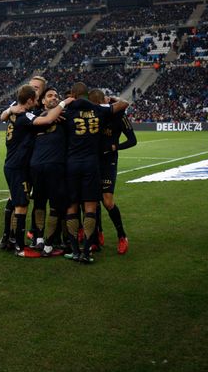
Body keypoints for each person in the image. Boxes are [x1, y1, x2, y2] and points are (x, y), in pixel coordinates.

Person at [0, 84, 72, 256]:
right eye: (38, 98)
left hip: (20, 165)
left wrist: (9, 110)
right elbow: (46, 120)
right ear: (31, 100)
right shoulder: (25, 116)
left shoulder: (15, 112)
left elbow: (4, 115)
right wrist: (64, 103)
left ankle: (16, 241)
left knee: (23, 203)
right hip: (18, 166)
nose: (38, 101)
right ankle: (19, 247)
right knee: (21, 205)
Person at [62, 82, 128, 263]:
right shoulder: (99, 110)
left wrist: (63, 103)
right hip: (92, 164)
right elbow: (124, 104)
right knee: (91, 206)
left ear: (73, 95)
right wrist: (111, 100)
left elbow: (49, 116)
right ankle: (88, 251)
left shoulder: (66, 111)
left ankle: (75, 251)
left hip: (73, 164)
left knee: (72, 207)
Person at [89, 89, 137, 255]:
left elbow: (133, 140)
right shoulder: (92, 115)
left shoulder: (118, 115)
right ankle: (97, 234)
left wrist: (115, 147)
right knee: (93, 201)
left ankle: (122, 236)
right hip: (93, 160)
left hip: (109, 161)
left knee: (107, 201)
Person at [29, 87, 69, 256]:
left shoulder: (65, 117)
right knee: (38, 203)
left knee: (55, 205)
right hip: (37, 165)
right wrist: (48, 115)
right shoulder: (36, 116)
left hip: (56, 165)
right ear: (43, 101)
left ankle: (49, 242)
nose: (54, 97)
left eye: (56, 95)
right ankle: (38, 239)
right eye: (50, 95)